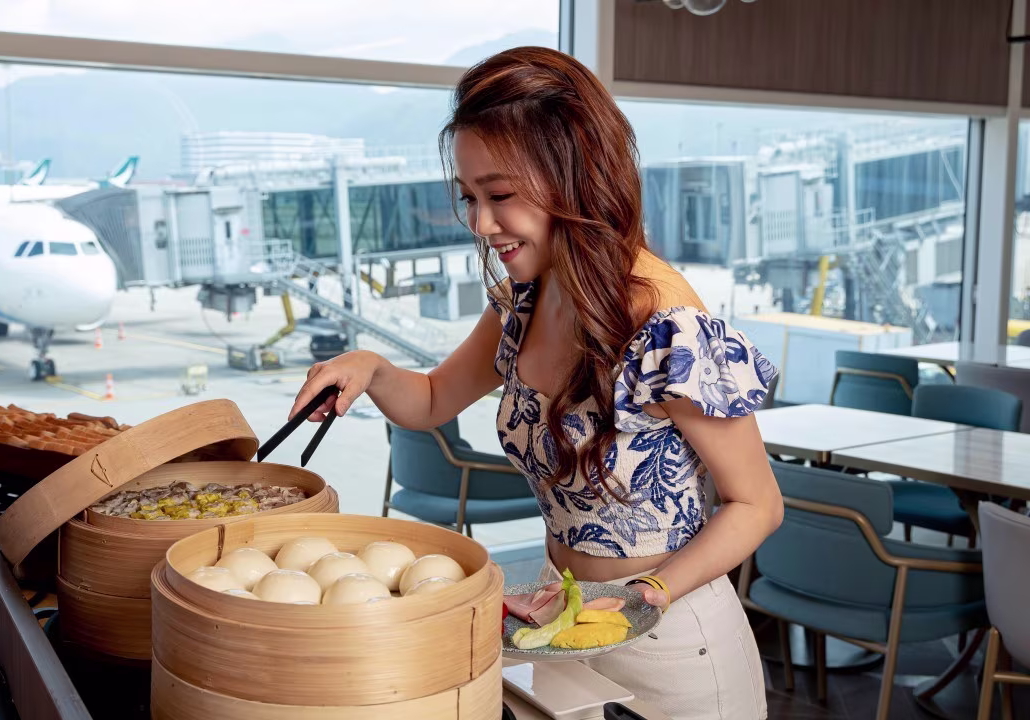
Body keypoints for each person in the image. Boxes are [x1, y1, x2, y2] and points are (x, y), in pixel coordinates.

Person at [289, 46, 781, 720]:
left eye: (500, 196)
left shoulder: (670, 328)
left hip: (673, 639)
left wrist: (648, 596)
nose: (483, 225)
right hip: (560, 614)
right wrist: (369, 368)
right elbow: (431, 401)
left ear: (574, 177)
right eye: (470, 198)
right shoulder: (525, 301)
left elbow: (757, 505)